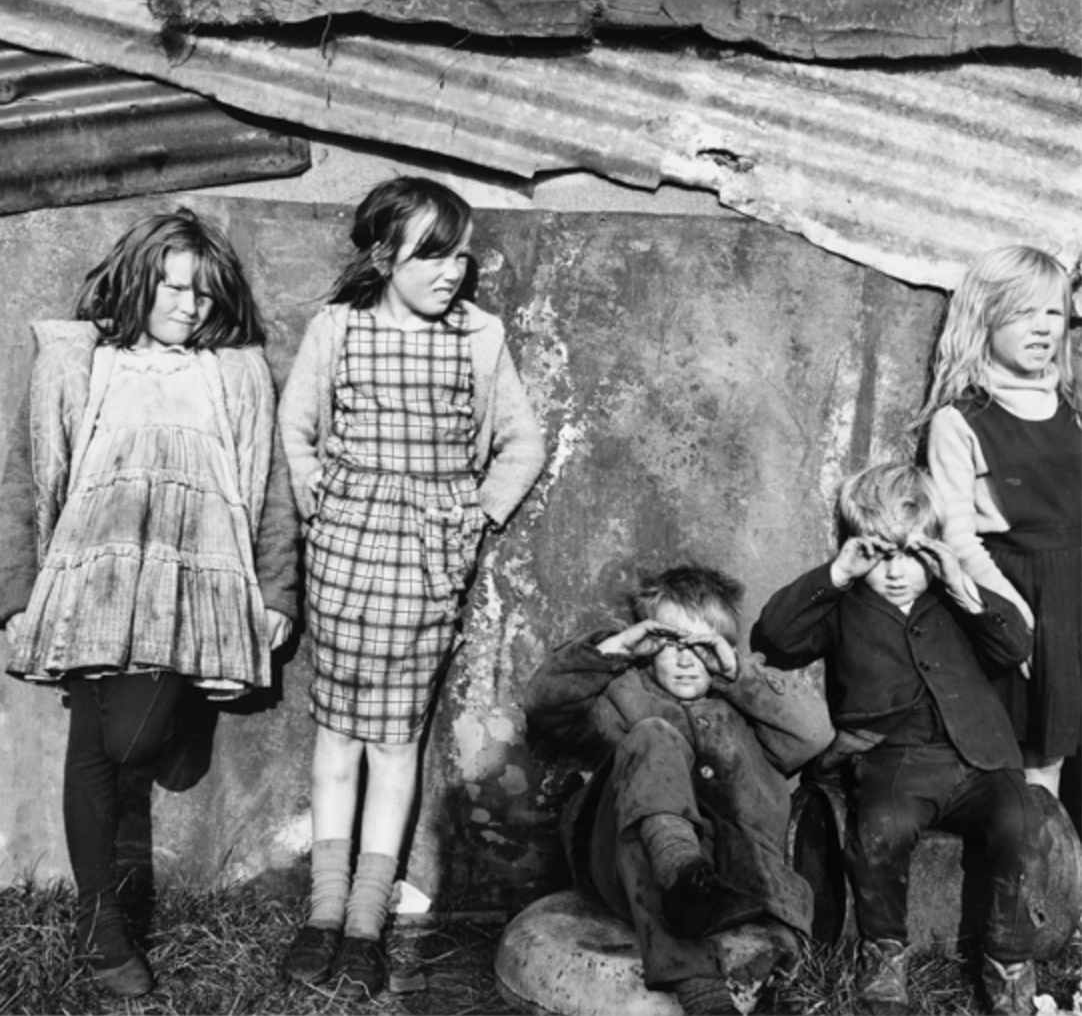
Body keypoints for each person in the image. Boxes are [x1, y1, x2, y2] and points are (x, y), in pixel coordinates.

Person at [0, 208, 298, 998]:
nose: (187, 308)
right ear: (138, 283)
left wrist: (276, 591)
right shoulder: (81, 362)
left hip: (197, 582)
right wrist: (16, 593)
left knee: (139, 741)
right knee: (99, 748)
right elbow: (25, 478)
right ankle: (104, 935)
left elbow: (270, 490)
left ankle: (188, 704)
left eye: (201, 294)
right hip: (93, 576)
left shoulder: (231, 371)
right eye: (171, 289)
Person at [278, 176, 545, 998]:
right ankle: (323, 913)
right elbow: (298, 424)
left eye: (462, 255)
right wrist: (316, 493)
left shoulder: (478, 336)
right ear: (383, 255)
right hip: (347, 552)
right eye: (433, 254)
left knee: (396, 740)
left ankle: (366, 922)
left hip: (429, 561)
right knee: (337, 734)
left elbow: (521, 443)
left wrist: (475, 513)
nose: (452, 272)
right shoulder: (339, 327)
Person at [753, 462, 1041, 1016]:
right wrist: (837, 574)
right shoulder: (844, 606)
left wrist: (962, 584)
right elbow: (777, 637)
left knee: (1017, 822)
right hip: (895, 760)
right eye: (880, 556)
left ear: (933, 551)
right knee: (881, 829)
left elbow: (1015, 648)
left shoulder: (957, 599)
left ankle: (1008, 959)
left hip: (982, 757)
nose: (895, 573)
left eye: (910, 556)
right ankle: (884, 956)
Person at [525, 565, 833, 1015]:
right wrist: (613, 649)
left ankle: (695, 890)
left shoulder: (745, 704)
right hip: (627, 861)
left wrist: (735, 672)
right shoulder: (620, 695)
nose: (687, 659)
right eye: (672, 645)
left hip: (733, 874)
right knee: (653, 736)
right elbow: (542, 702)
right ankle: (696, 966)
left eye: (702, 647)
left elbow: (815, 732)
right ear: (649, 647)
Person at [914, 246, 1081, 829]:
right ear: (983, 319)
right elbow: (957, 535)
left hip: (1077, 583)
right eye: (1021, 313)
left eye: (1054, 314)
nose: (1042, 328)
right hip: (1026, 593)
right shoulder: (961, 419)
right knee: (1041, 759)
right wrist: (1011, 614)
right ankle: (1047, 897)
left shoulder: (1070, 403)